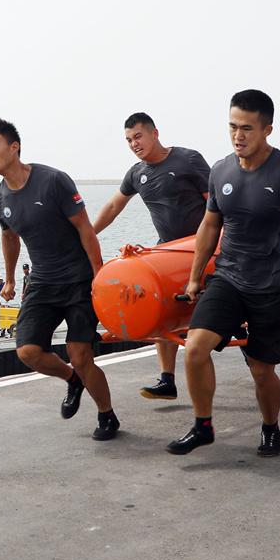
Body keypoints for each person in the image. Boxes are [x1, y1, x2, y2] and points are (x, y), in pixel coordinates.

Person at [166, 89, 280, 457]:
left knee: (261, 370)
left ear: (267, 130)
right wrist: (195, 276)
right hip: (228, 278)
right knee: (195, 348)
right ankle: (203, 426)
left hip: (271, 287)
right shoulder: (221, 170)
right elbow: (210, 225)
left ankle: (270, 426)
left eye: (247, 128)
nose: (238, 136)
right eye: (232, 127)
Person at [0, 118, 118, 441]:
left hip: (79, 281)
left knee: (80, 355)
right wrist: (10, 279)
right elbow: (9, 237)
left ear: (14, 147)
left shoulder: (53, 180)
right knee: (27, 352)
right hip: (42, 283)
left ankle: (107, 416)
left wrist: (98, 275)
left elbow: (85, 229)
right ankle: (73, 380)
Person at [92, 112, 211, 400]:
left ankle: (253, 359)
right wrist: (89, 234)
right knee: (162, 311)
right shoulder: (136, 173)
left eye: (138, 136)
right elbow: (113, 207)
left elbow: (215, 205)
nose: (134, 144)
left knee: (221, 314)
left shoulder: (188, 159)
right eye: (129, 140)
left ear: (155, 133)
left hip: (202, 250)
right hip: (166, 252)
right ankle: (167, 380)